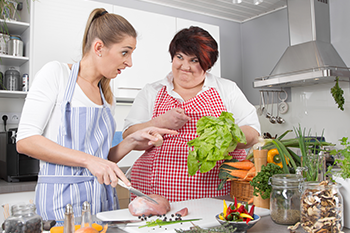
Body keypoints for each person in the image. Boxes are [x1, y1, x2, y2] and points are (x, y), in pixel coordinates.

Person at [16, 8, 176, 221]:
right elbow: (25, 141)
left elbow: (101, 160)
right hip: (62, 207)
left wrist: (130, 142)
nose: (129, 62)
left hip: (101, 205)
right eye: (125, 52)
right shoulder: (57, 74)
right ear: (99, 47)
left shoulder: (107, 97)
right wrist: (89, 161)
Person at [123, 26, 261, 202]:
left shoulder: (226, 89)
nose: (185, 66)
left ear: (207, 64)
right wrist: (161, 121)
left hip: (214, 195)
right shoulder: (152, 91)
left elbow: (253, 133)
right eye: (179, 57)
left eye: (194, 60)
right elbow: (128, 135)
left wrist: (224, 137)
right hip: (154, 194)